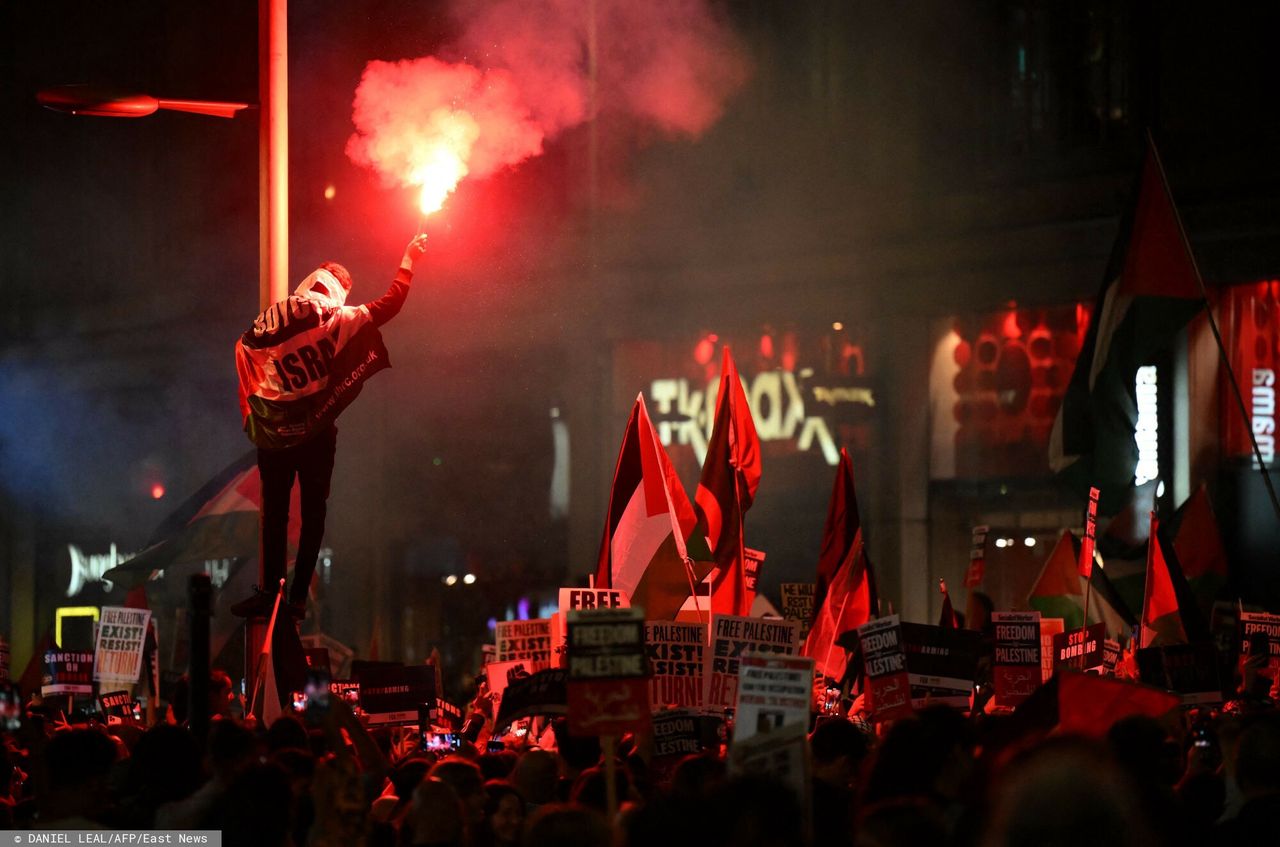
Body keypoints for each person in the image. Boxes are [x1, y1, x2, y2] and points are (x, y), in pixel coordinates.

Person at [231, 234, 430, 618]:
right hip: (317, 431)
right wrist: (408, 261)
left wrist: (251, 408)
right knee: (313, 513)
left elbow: (243, 347)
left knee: (273, 514)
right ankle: (299, 598)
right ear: (339, 289)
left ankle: (269, 592)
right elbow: (390, 305)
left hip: (274, 432)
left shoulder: (277, 312)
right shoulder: (339, 316)